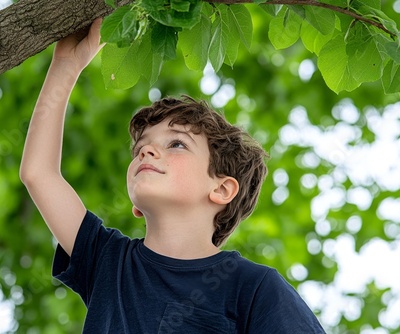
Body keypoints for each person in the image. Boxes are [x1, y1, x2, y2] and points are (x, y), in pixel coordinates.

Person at [20, 18, 326, 333]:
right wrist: (66, 67)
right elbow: (38, 173)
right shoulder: (108, 261)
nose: (146, 152)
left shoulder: (255, 288)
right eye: (141, 147)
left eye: (176, 144)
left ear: (221, 189)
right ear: (136, 205)